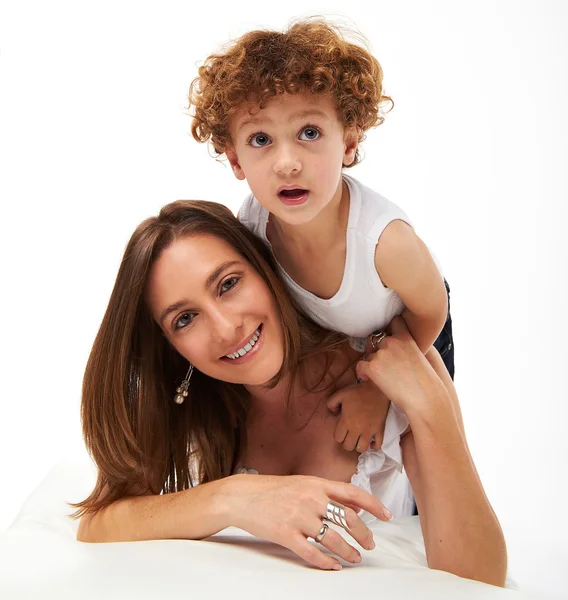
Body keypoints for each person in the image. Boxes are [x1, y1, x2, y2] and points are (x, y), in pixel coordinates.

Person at [72, 200, 506, 586]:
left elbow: (479, 578)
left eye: (227, 284)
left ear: (265, 268)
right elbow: (98, 523)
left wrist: (432, 408)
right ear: (170, 344)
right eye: (185, 319)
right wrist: (235, 499)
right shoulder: (195, 398)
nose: (226, 329)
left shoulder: (381, 365)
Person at [188, 18, 456, 452]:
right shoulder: (253, 221)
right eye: (261, 139)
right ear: (235, 159)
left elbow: (431, 312)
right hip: (335, 339)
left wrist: (377, 392)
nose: (287, 162)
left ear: (349, 143)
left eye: (309, 133)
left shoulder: (386, 244)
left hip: (411, 329)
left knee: (419, 444)